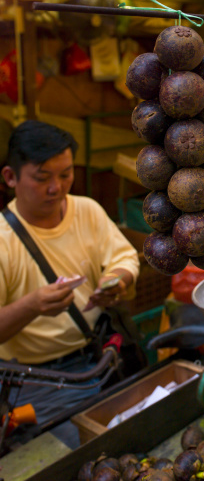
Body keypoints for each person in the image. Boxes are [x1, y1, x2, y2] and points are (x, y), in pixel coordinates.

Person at [0, 120, 140, 449]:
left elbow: (124, 258)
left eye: (65, 174)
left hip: (99, 359)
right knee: (79, 453)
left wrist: (115, 281)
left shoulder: (87, 211)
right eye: (42, 177)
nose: (57, 188)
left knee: (130, 440)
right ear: (10, 177)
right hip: (35, 382)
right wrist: (32, 306)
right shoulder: (3, 241)